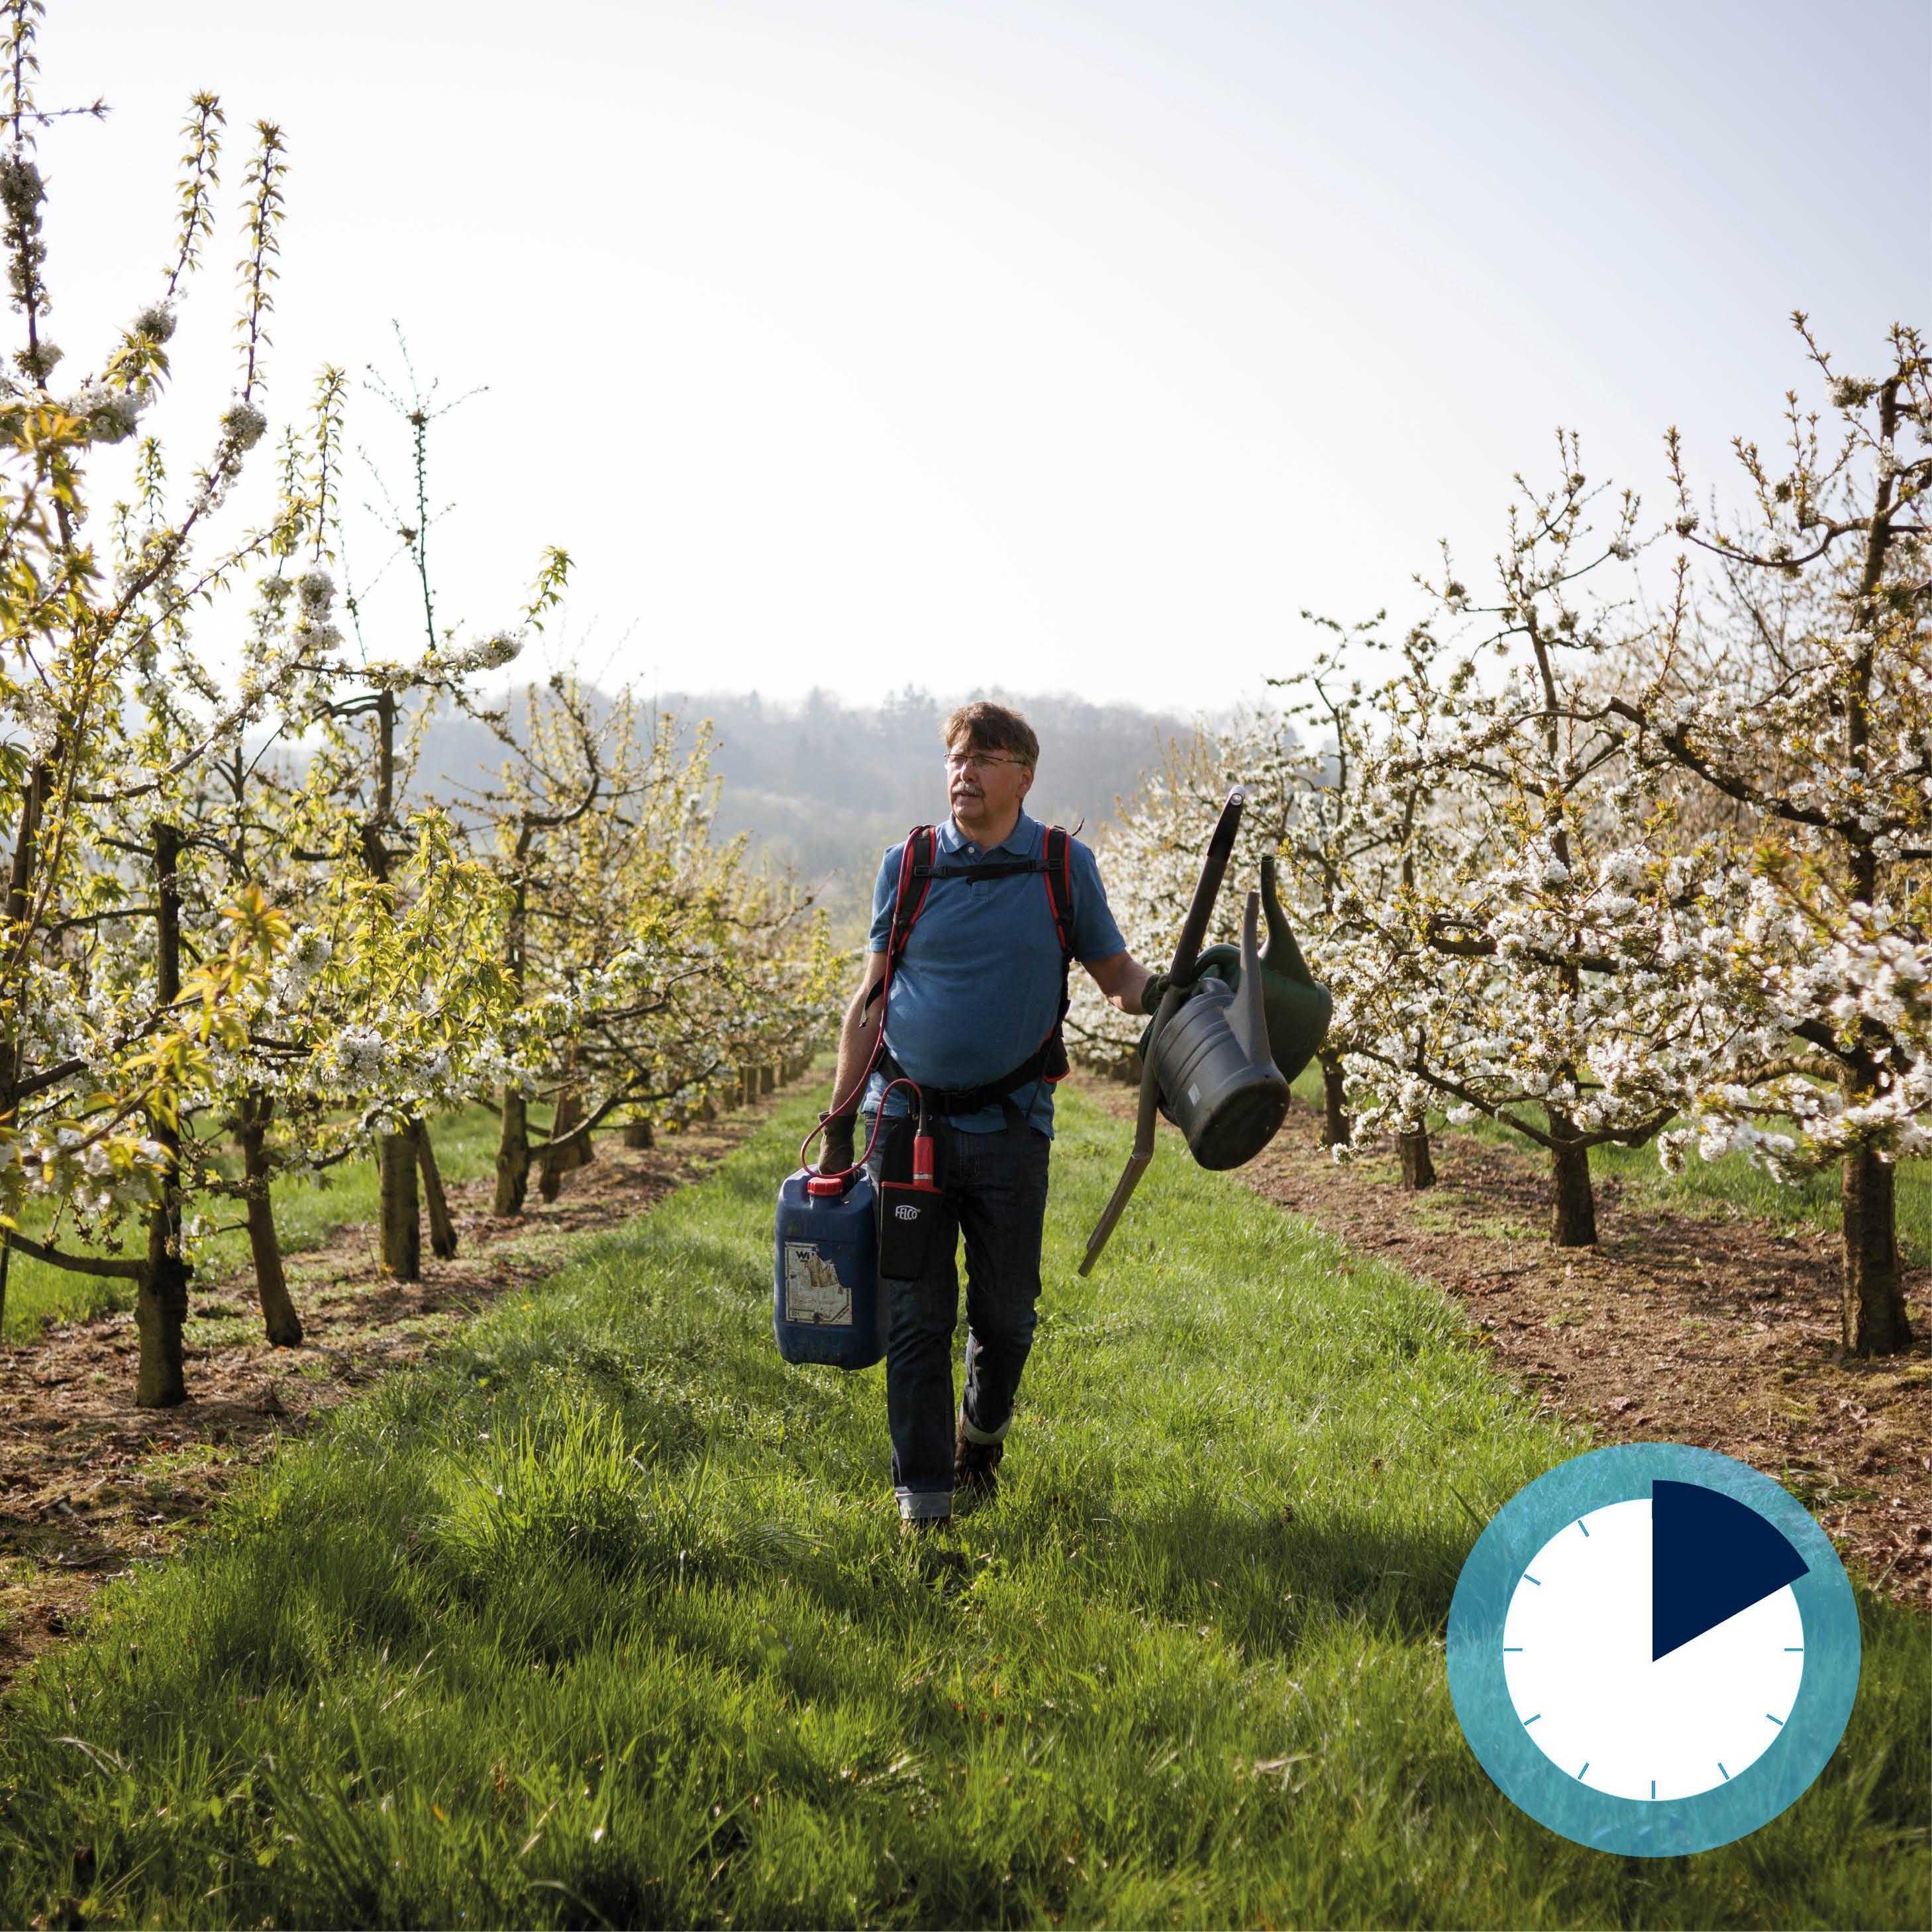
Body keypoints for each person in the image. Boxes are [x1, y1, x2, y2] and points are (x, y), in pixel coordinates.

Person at [818, 701, 1170, 1535]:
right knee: (914, 1317)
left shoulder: (1059, 864)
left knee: (1006, 1317)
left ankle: (981, 1437)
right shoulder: (906, 865)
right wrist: (838, 1121)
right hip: (903, 1126)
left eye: (984, 758)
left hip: (1011, 1128)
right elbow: (870, 1000)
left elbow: (1116, 974)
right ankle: (924, 1508)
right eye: (954, 758)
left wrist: (1170, 993)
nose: (963, 774)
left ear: (1025, 774)